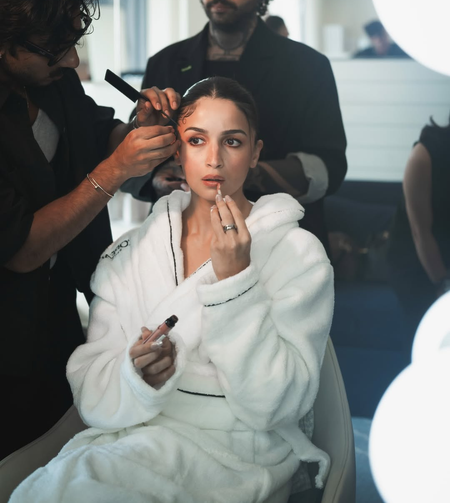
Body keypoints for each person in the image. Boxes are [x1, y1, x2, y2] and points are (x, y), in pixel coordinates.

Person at [11, 77, 334, 503]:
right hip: (132, 438)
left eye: (232, 142)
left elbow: (280, 404)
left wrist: (236, 284)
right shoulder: (132, 251)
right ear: (176, 151)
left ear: (255, 153)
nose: (214, 159)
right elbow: (91, 386)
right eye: (197, 140)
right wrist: (135, 374)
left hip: (238, 453)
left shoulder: (297, 253)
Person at [0, 0, 180, 459]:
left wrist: (138, 128)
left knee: (61, 449)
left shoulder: (53, 83)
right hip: (7, 333)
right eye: (55, 48)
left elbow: (97, 136)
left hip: (60, 313)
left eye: (74, 41)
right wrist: (116, 169)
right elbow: (22, 247)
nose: (73, 60)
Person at [125, 0, 347, 248]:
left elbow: (329, 169)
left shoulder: (308, 67)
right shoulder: (165, 62)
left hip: (278, 243)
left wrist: (243, 174)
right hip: (179, 242)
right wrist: (155, 177)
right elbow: (129, 156)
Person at [387, 116, 450, 364]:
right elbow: (420, 232)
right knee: (427, 340)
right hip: (415, 262)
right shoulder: (423, 156)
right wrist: (443, 285)